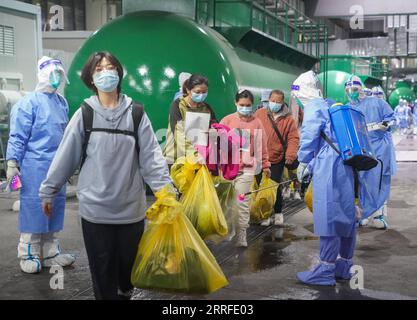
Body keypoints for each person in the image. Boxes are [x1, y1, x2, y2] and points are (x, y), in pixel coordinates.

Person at [39, 52, 173, 300]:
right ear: (91, 78)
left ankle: (125, 290)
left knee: (127, 269)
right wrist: (49, 190)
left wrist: (166, 192)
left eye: (110, 68)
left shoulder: (136, 114)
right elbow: (65, 157)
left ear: (119, 73)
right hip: (95, 210)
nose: (106, 73)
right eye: (99, 69)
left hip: (130, 210)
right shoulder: (85, 114)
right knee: (102, 272)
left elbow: (152, 158)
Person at [293, 70, 367, 286]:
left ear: (302, 92)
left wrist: (304, 161)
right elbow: (329, 140)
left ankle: (325, 270)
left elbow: (310, 137)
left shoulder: (314, 107)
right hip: (347, 164)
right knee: (347, 215)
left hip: (331, 168)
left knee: (329, 216)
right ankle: (344, 266)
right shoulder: (331, 104)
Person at [6, 56, 75, 274]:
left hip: (57, 167)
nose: (56, 78)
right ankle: (28, 252)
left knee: (54, 208)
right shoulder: (28, 103)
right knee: (35, 209)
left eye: (59, 75)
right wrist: (12, 162)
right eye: (53, 74)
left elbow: (65, 136)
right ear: (43, 74)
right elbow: (17, 135)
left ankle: (50, 252)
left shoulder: (61, 102)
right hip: (34, 166)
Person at [220, 89, 271, 247]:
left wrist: (266, 165)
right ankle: (230, 230)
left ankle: (242, 234)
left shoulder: (256, 123)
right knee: (227, 202)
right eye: (242, 105)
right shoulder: (227, 121)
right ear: (236, 103)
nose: (245, 108)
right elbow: (216, 145)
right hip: (226, 171)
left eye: (248, 105)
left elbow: (262, 146)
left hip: (246, 171)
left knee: (242, 202)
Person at [346, 76, 397, 230]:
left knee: (378, 182)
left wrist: (386, 125)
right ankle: (364, 213)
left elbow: (392, 118)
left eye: (354, 89)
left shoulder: (377, 103)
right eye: (348, 90)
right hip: (360, 151)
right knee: (362, 182)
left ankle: (378, 214)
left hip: (379, 149)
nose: (351, 93)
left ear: (360, 89)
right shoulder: (348, 108)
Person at [254, 89, 299, 226]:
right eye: (272, 101)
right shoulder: (260, 113)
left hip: (276, 158)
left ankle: (278, 212)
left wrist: (290, 155)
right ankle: (265, 214)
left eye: (278, 102)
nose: (274, 104)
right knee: (260, 187)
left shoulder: (288, 119)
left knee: (273, 186)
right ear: (268, 100)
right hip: (259, 157)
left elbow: (293, 138)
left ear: (282, 102)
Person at [164, 74, 216, 165]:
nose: (201, 95)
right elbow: (178, 133)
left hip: (200, 159)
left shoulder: (206, 108)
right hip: (177, 158)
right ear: (188, 90)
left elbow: (214, 126)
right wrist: (194, 155)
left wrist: (214, 131)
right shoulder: (177, 106)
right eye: (198, 92)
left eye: (204, 92)